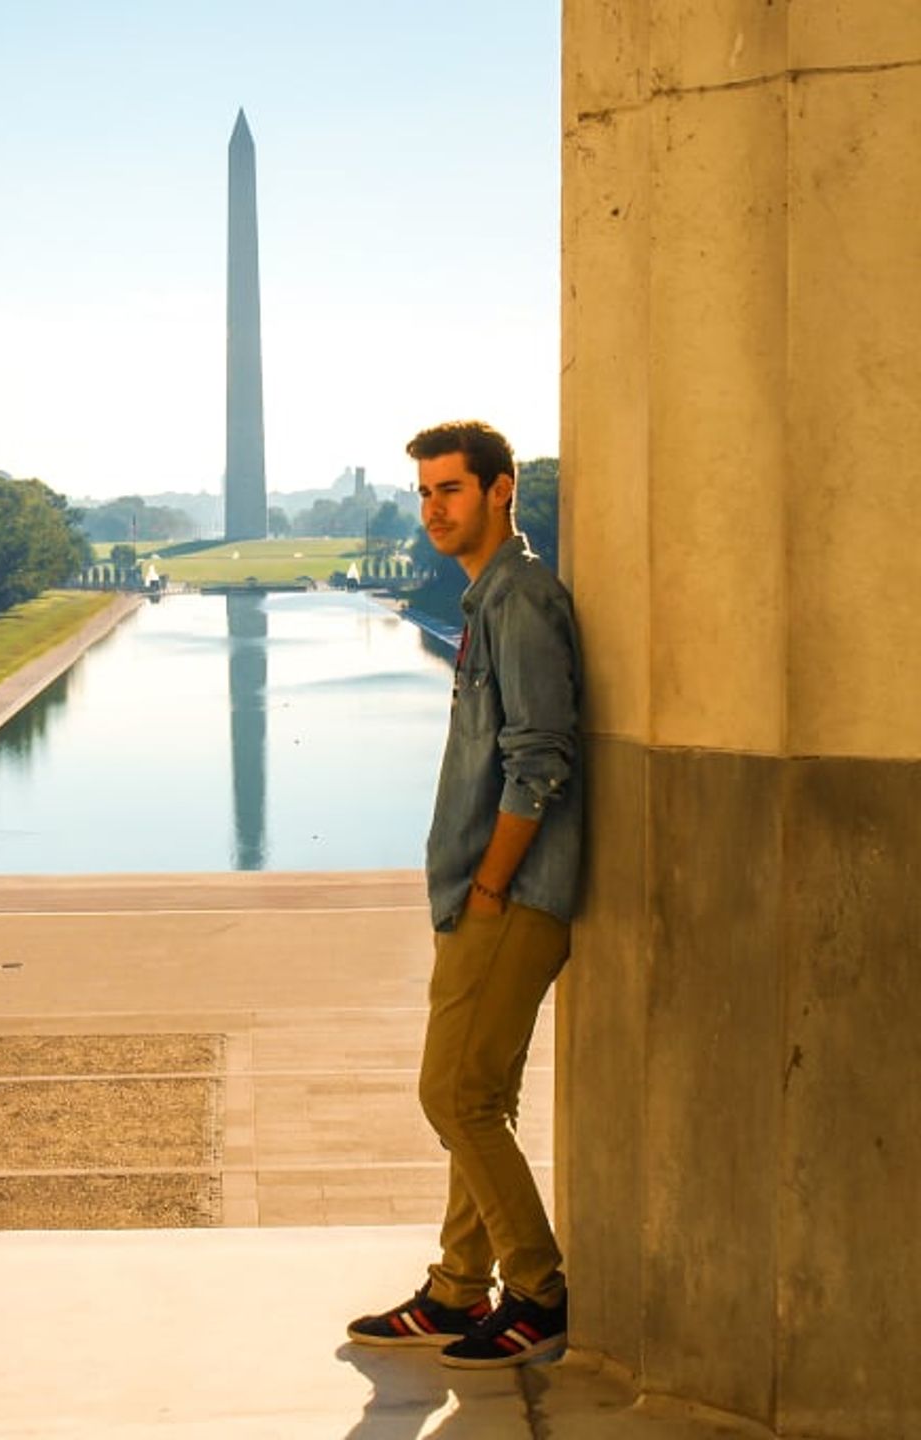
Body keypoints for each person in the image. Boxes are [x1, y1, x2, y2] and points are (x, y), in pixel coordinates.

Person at [347, 419, 583, 1368]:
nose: (435, 508)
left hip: (513, 897)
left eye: (451, 489)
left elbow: (541, 763)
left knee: (453, 1094)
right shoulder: (488, 599)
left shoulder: (521, 601)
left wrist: (489, 884)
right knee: (482, 1093)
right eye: (425, 493)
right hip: (484, 893)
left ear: (500, 491)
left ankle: (538, 1287)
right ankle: (456, 1290)